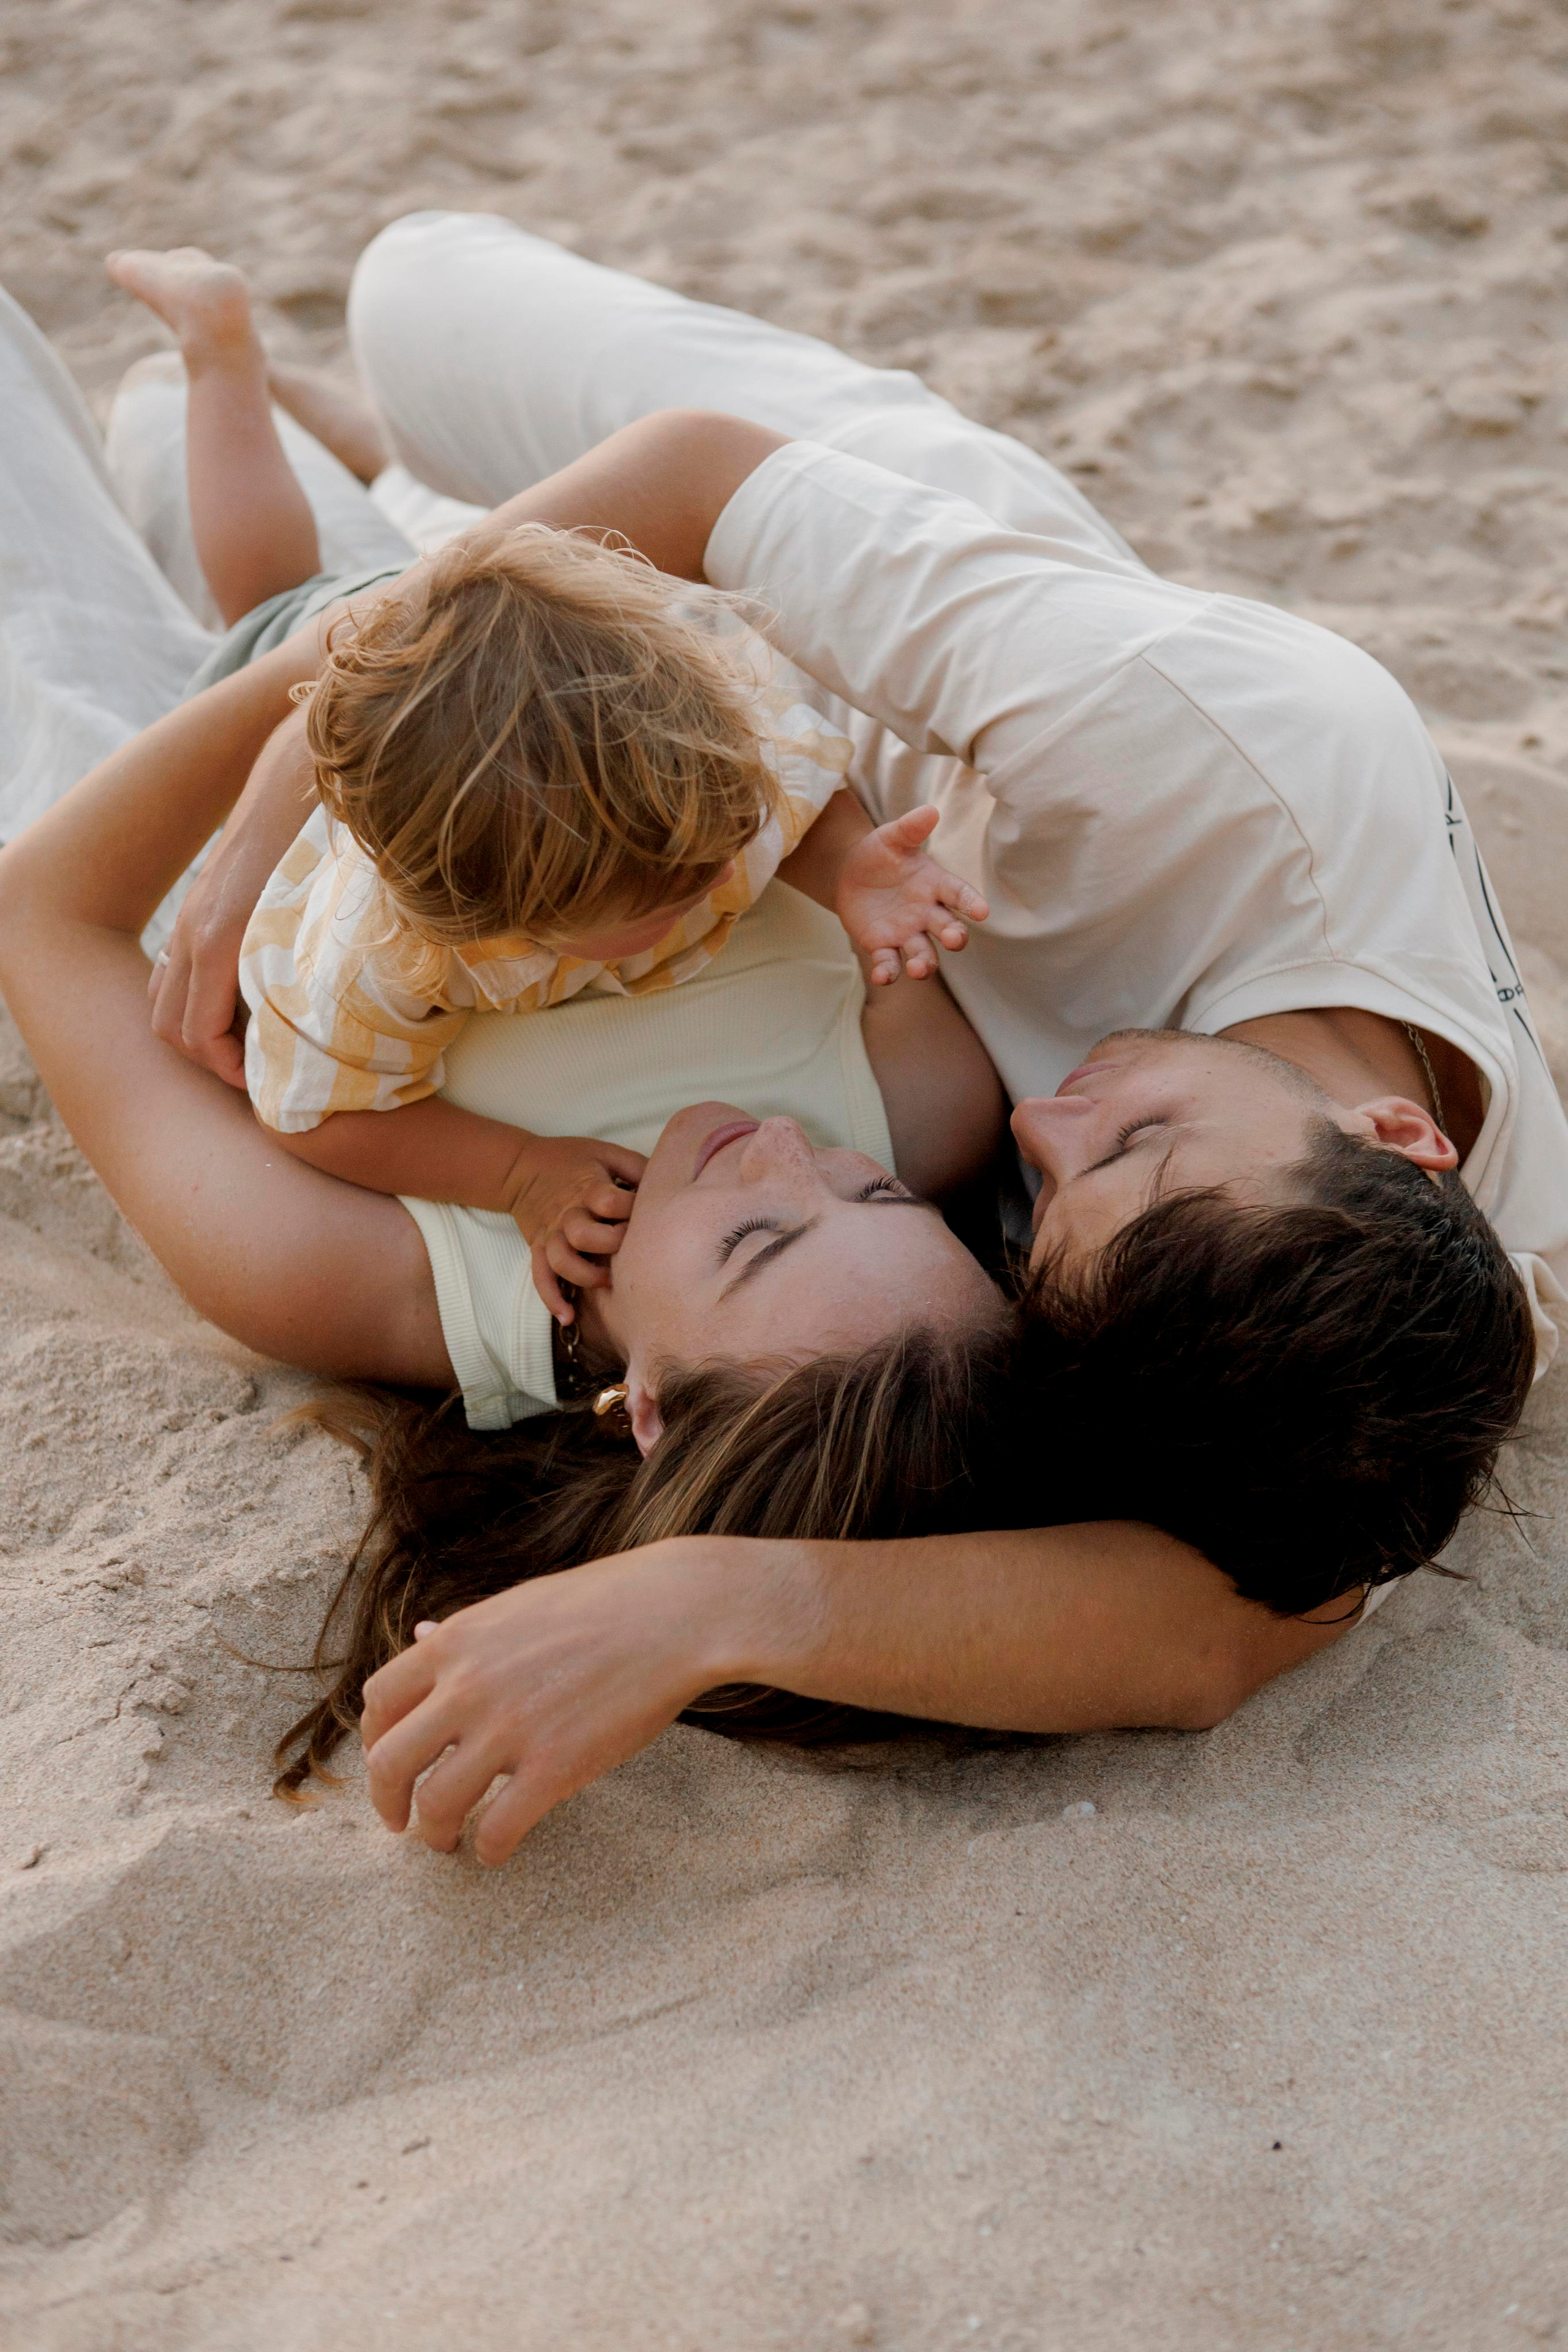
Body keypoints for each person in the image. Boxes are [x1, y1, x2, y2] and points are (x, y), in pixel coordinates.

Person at [0, 276, 1368, 1880]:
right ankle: (231, 383)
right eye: (877, 1197)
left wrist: (310, 725)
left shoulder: (364, 1278)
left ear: (643, 1404)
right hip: (477, 687)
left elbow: (49, 915)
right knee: (185, 431)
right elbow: (773, 775)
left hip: (153, 791)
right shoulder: (934, 1106)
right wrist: (354, 695)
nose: (785, 1152)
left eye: (760, 1238)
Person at [105, 247, 992, 1322]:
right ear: (491, 925)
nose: (719, 877)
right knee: (273, 585)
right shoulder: (385, 952)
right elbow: (318, 1114)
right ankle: (220, 355)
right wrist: (519, 1173)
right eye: (661, 901)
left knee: (388, 552)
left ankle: (317, 417)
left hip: (514, 655)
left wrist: (849, 866)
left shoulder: (710, 756)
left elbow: (796, 799)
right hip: (343, 686)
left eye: (717, 855)